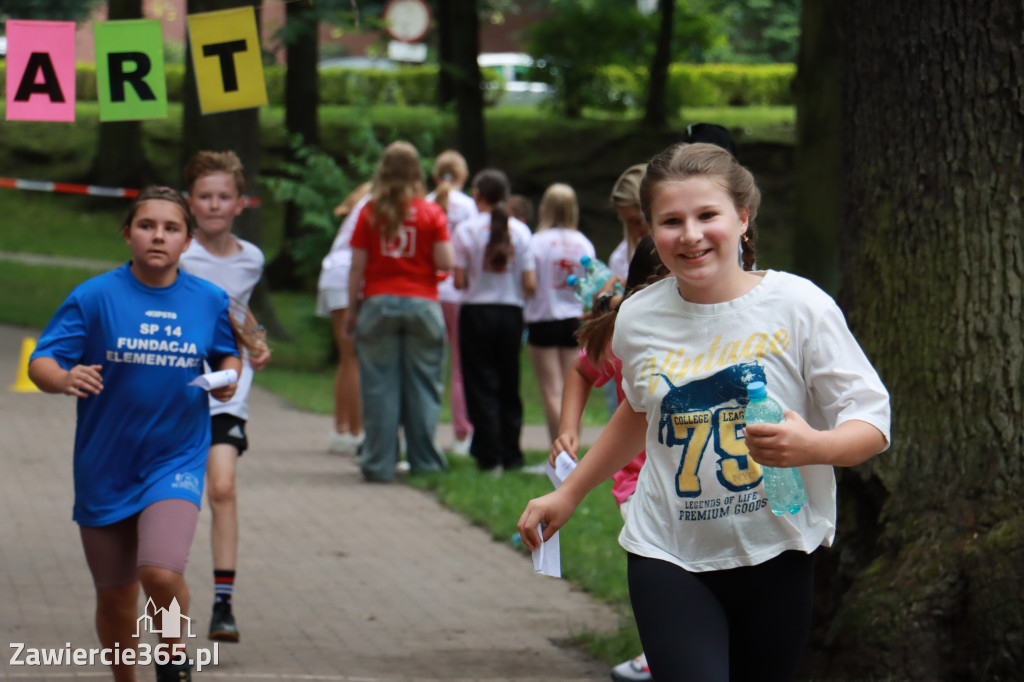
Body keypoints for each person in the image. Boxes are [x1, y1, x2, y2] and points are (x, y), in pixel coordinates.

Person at [518, 143, 891, 681]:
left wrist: (814, 446)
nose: (689, 234)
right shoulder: (638, 317)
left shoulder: (799, 306)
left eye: (706, 215)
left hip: (778, 549)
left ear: (743, 217)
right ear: (650, 231)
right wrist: (568, 492)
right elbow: (642, 411)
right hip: (667, 549)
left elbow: (872, 421)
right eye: (671, 221)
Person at [28, 186, 243, 682]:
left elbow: (227, 353)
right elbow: (42, 361)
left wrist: (228, 377)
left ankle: (171, 658)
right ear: (128, 233)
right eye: (147, 226)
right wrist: (63, 379)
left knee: (161, 573)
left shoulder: (208, 300)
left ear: (187, 241)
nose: (158, 236)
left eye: (171, 228)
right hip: (106, 463)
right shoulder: (94, 296)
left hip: (175, 457)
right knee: (116, 593)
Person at [551, 235, 666, 682]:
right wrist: (568, 429)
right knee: (658, 562)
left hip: (703, 477)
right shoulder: (625, 330)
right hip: (638, 477)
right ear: (639, 289)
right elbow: (582, 371)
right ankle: (658, 649)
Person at [178, 150, 271, 644]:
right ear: (190, 202)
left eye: (224, 197)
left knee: (223, 489)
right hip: (173, 392)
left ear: (240, 204)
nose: (214, 205)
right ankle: (154, 606)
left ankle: (223, 605)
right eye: (205, 196)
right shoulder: (175, 251)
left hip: (227, 391)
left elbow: (239, 312)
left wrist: (256, 341)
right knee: (171, 500)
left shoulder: (251, 258)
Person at [344, 141, 453, 482]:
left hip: (377, 304)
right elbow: (446, 262)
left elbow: (356, 268)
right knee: (423, 387)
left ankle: (378, 464)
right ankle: (426, 463)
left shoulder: (370, 211)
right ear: (417, 171)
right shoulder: (431, 212)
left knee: (379, 388)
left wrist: (351, 310)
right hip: (423, 304)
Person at [453, 168, 537, 473]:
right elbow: (530, 283)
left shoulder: (465, 231)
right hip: (510, 314)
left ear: (477, 195)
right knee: (508, 384)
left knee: (480, 384)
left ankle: (488, 456)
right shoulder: (521, 231)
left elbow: (459, 281)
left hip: (476, 312)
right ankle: (511, 452)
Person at [524, 182, 595, 441]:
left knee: (551, 390)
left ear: (546, 208)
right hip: (574, 320)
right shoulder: (584, 244)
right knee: (571, 391)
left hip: (543, 319)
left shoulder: (537, 242)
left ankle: (559, 450)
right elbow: (589, 284)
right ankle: (572, 443)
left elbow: (528, 283)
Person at [426, 151, 478, 455]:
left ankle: (427, 432)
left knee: (430, 365)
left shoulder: (426, 201)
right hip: (459, 294)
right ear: (464, 177)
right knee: (461, 366)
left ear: (435, 175)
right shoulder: (470, 206)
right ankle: (462, 435)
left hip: (431, 291)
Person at [318, 181, 372, 455]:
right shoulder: (375, 204)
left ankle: (340, 429)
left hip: (332, 277)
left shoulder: (360, 206)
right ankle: (356, 433)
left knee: (346, 358)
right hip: (346, 278)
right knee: (354, 359)